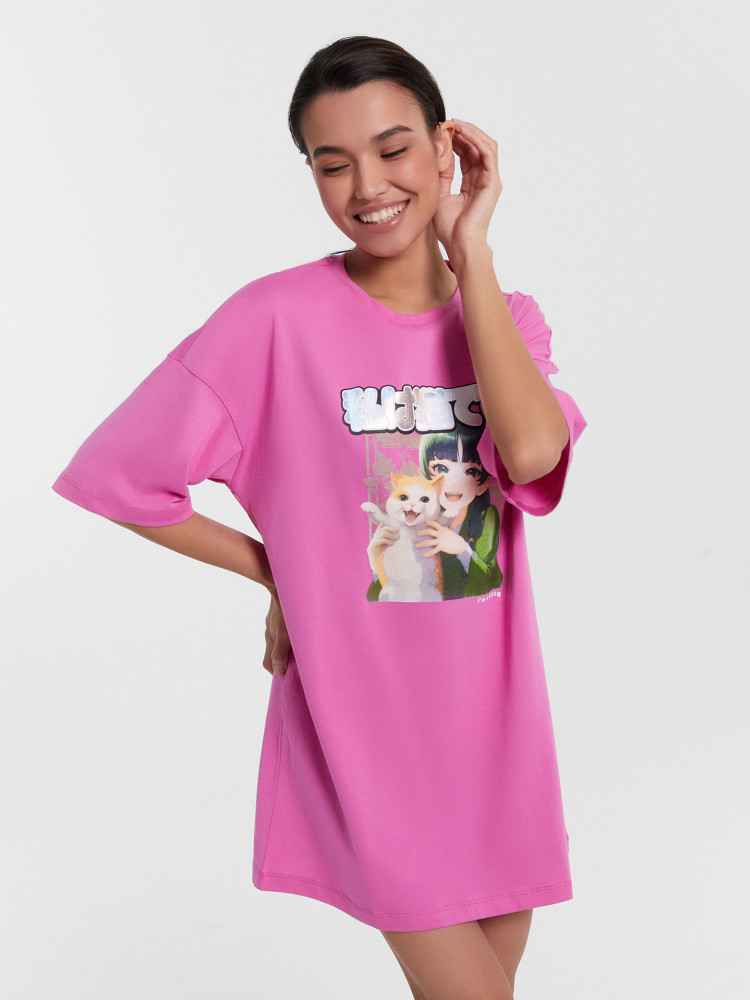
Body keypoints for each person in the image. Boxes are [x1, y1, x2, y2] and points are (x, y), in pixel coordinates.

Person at [52, 35, 586, 1000]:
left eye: (394, 149)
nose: (367, 186)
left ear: (446, 148)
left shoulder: (505, 318)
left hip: (497, 727)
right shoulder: (272, 321)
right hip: (367, 725)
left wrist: (471, 254)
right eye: (332, 164)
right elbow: (120, 477)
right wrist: (279, 571)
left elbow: (533, 454)